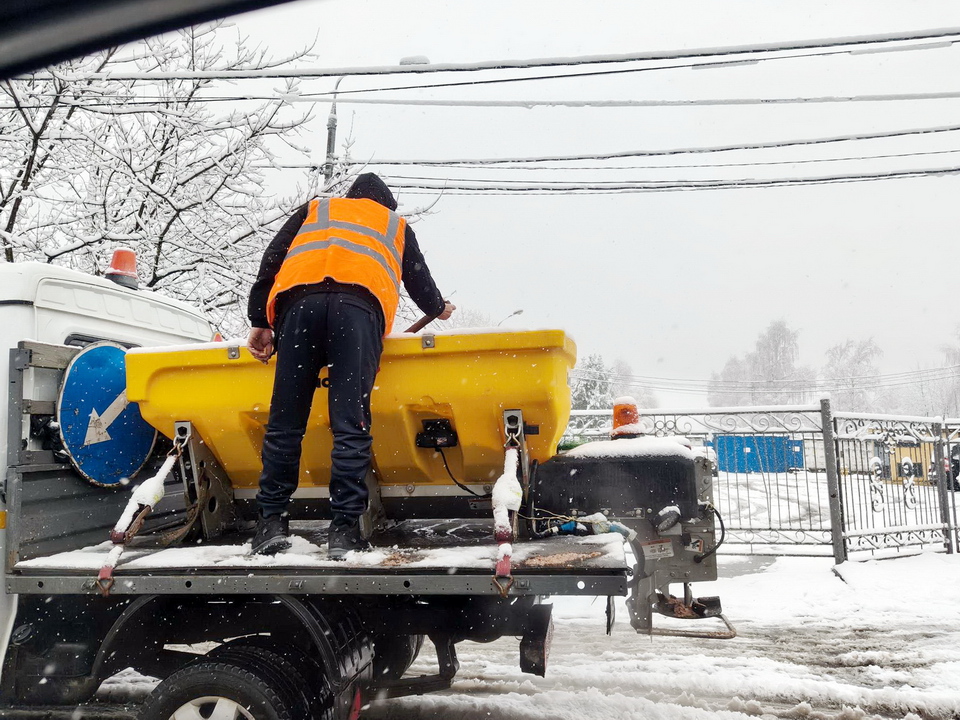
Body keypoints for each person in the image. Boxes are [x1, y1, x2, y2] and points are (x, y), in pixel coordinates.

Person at [246, 173, 454, 558]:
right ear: (386, 204)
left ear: (351, 195)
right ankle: (343, 530)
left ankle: (270, 523)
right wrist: (438, 307)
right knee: (350, 424)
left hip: (299, 309)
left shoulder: (317, 210)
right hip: (356, 313)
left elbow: (272, 258)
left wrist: (260, 319)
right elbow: (418, 278)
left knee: (285, 423)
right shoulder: (394, 224)